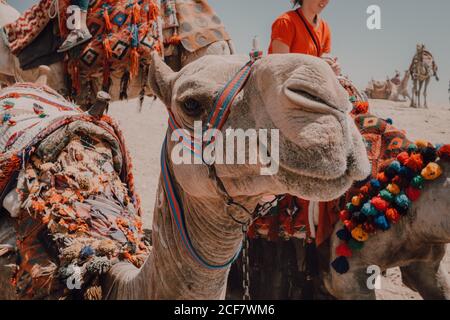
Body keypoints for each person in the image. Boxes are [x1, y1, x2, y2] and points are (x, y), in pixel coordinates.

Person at [269, 0, 341, 76]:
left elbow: (325, 62)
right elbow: (281, 70)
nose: (326, 1)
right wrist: (319, 67)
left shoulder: (325, 27)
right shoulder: (285, 22)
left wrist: (331, 69)